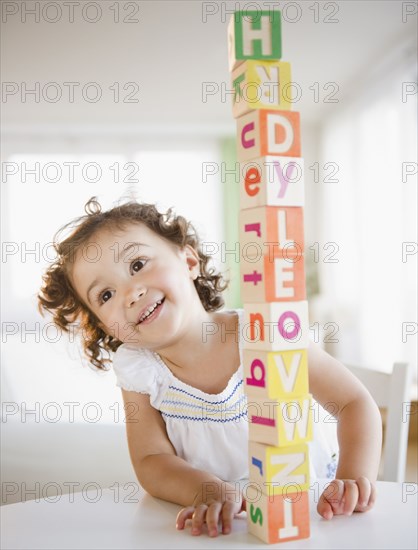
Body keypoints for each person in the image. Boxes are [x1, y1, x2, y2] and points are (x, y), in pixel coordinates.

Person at [38, 196, 382, 538]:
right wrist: (208, 490)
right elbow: (150, 459)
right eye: (106, 295)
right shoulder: (139, 370)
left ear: (188, 261)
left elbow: (353, 403)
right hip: (223, 524)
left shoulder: (264, 332)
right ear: (101, 325)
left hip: (311, 509)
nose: (130, 292)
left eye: (138, 264)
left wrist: (351, 478)